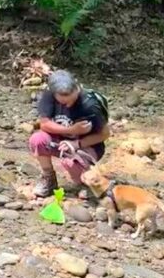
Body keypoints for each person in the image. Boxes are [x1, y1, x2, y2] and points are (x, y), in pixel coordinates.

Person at [29, 69, 109, 198]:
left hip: (86, 145)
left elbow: (104, 134)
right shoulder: (49, 95)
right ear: (54, 94)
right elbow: (44, 124)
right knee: (37, 139)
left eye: (72, 100)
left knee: (70, 162)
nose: (69, 104)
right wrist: (71, 130)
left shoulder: (90, 105)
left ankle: (86, 182)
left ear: (76, 89)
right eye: (64, 103)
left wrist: (76, 144)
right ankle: (49, 179)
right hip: (60, 140)